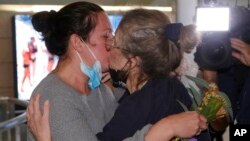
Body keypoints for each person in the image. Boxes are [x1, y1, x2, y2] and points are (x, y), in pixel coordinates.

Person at [26, 1, 208, 141]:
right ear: (77, 43)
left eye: (113, 36)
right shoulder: (54, 100)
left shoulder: (100, 85)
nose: (111, 43)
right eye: (106, 36)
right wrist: (163, 130)